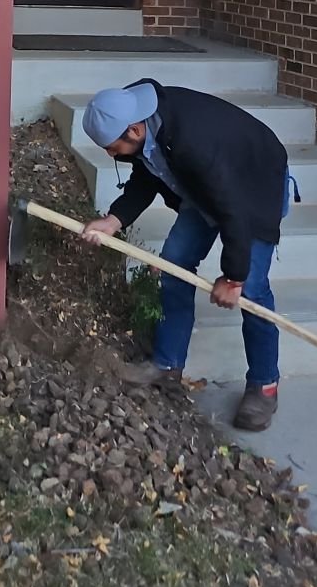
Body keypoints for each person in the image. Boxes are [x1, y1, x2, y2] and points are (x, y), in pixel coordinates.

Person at [80, 79, 296, 432]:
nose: (110, 154)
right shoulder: (145, 125)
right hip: (209, 187)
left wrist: (234, 276)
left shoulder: (194, 142)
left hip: (252, 186)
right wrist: (114, 220)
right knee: (174, 265)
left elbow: (233, 208)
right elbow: (146, 176)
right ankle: (167, 364)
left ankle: (264, 384)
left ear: (133, 129)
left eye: (111, 146)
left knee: (253, 290)